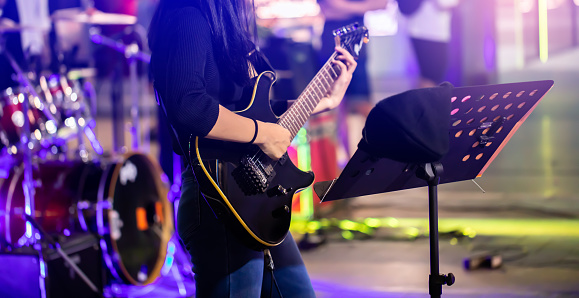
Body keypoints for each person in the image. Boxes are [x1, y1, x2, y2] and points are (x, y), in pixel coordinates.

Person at [147, 0, 357, 296]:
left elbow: (247, 112)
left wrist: (324, 102)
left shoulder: (224, 24)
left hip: (254, 192)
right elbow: (188, 105)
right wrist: (262, 134)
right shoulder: (187, 15)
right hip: (217, 195)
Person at [403, 0, 459, 88]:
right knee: (430, 76)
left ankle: (421, 100)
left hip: (430, 32)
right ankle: (422, 101)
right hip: (428, 33)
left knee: (430, 76)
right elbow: (443, 4)